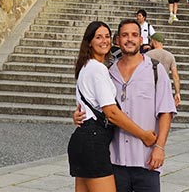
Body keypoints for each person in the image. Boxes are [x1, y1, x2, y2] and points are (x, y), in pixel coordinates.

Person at [75, 19, 177, 192]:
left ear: (141, 40)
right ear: (117, 41)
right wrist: (79, 115)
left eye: (134, 35)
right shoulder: (107, 72)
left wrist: (159, 147)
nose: (129, 39)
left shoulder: (155, 70)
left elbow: (166, 111)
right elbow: (101, 108)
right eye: (125, 35)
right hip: (115, 160)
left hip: (146, 159)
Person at [146, 32, 181, 107]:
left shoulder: (148, 55)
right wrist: (177, 92)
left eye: (151, 41)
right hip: (164, 87)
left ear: (154, 42)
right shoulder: (170, 56)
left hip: (149, 87)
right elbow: (175, 76)